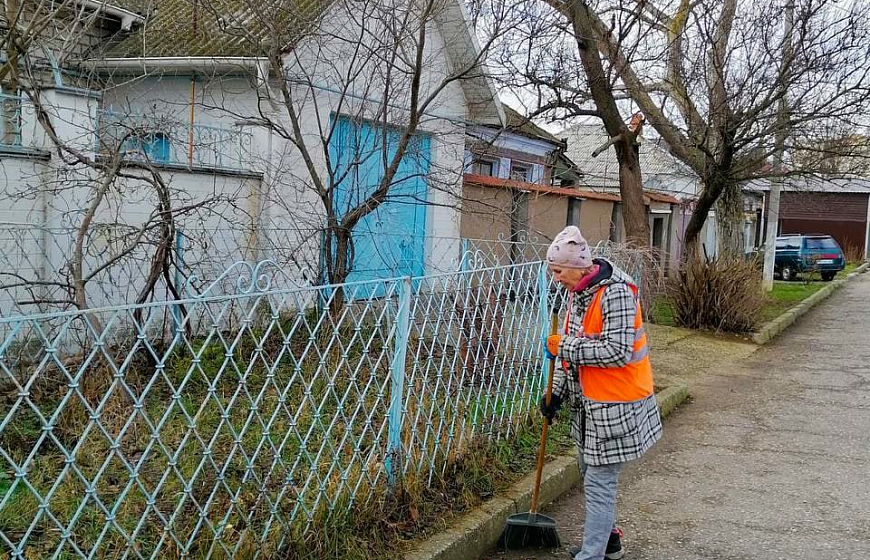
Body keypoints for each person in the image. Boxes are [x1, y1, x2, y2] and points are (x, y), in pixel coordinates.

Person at [539, 226, 662, 560]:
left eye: (558, 270)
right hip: (589, 405)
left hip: (617, 405)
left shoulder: (616, 293)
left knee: (599, 481)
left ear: (579, 266)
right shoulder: (578, 293)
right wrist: (558, 394)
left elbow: (617, 350)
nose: (556, 277)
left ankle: (592, 555)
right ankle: (609, 541)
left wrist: (564, 346)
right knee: (587, 470)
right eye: (552, 271)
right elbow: (574, 353)